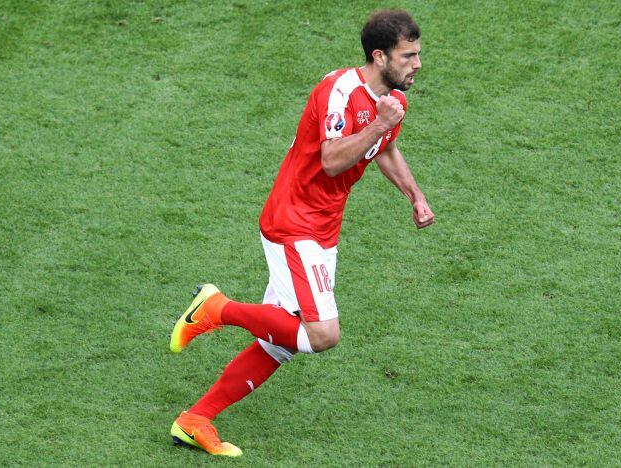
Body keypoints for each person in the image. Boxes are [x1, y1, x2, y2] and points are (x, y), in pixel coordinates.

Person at [168, 9, 434, 457]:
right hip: (294, 223)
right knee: (322, 334)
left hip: (321, 226)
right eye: (409, 55)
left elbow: (383, 148)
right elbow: (333, 160)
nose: (418, 64)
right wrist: (380, 123)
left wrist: (414, 195)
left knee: (280, 344)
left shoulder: (391, 100)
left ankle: (194, 420)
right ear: (379, 55)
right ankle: (216, 307)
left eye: (419, 54)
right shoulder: (339, 92)